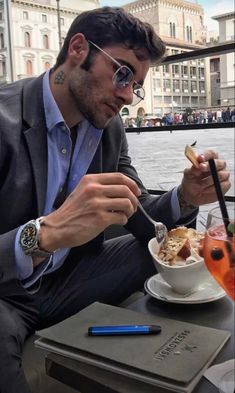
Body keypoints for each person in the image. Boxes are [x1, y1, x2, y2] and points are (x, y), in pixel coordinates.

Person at [0, 6, 231, 393]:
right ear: (78, 49)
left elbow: (137, 213)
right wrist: (42, 235)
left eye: (135, 84)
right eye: (121, 73)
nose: (127, 95)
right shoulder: (6, 118)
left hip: (69, 278)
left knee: (176, 253)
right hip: (7, 292)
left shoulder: (108, 125)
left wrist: (185, 197)